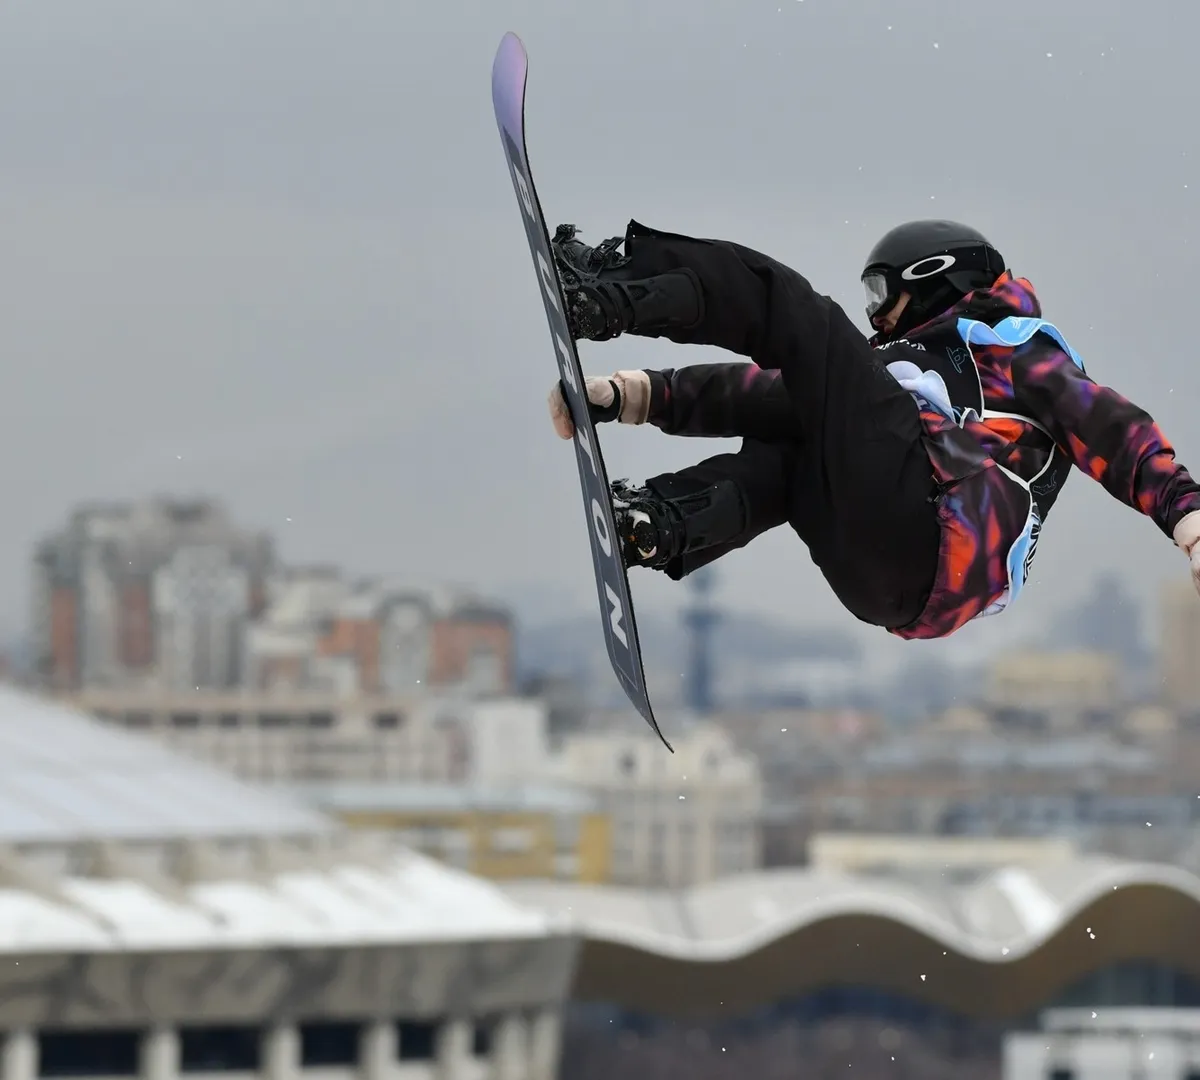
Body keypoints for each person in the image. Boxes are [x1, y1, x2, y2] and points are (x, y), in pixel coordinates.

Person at [544, 218, 1200, 640]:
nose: (877, 317)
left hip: (941, 519)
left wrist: (1189, 520)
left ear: (935, 281)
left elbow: (1118, 432)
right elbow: (770, 394)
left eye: (881, 294)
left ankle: (613, 287)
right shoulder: (897, 370)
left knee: (794, 311)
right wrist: (631, 395)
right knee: (794, 439)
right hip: (894, 589)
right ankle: (662, 523)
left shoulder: (1016, 350)